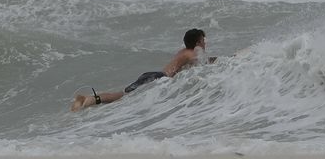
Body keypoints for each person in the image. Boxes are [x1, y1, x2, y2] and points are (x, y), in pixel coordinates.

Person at [70, 28, 216, 111]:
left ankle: (87, 99)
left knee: (121, 95)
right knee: (123, 99)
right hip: (158, 78)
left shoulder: (183, 51)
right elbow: (204, 62)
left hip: (153, 75)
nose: (205, 43)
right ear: (198, 42)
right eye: (204, 40)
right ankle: (87, 101)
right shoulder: (192, 53)